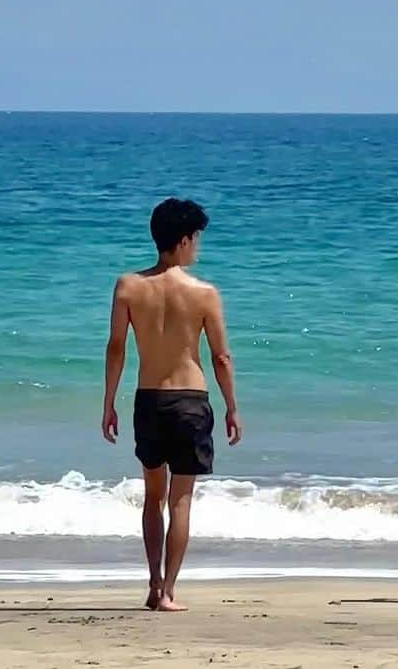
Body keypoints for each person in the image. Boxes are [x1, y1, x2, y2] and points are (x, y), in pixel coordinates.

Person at [102, 196, 242, 612]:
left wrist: (108, 402)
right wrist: (232, 406)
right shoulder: (204, 294)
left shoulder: (128, 286)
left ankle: (152, 582)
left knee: (153, 497)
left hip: (148, 400)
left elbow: (115, 349)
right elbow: (221, 357)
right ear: (183, 241)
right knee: (181, 500)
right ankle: (168, 593)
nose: (197, 246)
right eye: (196, 238)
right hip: (191, 401)